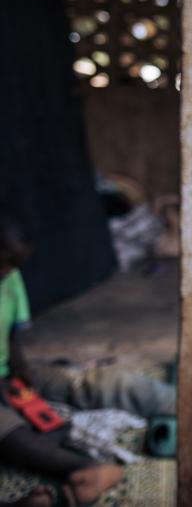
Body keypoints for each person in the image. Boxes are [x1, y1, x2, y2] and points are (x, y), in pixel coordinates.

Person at [0, 212, 124, 506]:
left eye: (14, 264)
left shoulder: (10, 278)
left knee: (80, 382)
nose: (7, 271)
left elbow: (13, 334)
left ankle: (166, 400)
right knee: (7, 427)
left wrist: (20, 366)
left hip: (6, 372)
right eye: (3, 260)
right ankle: (83, 469)